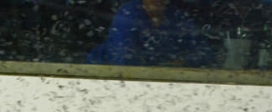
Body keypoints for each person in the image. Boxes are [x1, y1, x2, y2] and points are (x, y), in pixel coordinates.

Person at [86, 0, 215, 67]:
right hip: (105, 76)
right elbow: (122, 59)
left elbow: (205, 53)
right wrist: (157, 70)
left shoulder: (177, 16)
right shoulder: (127, 15)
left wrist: (183, 62)